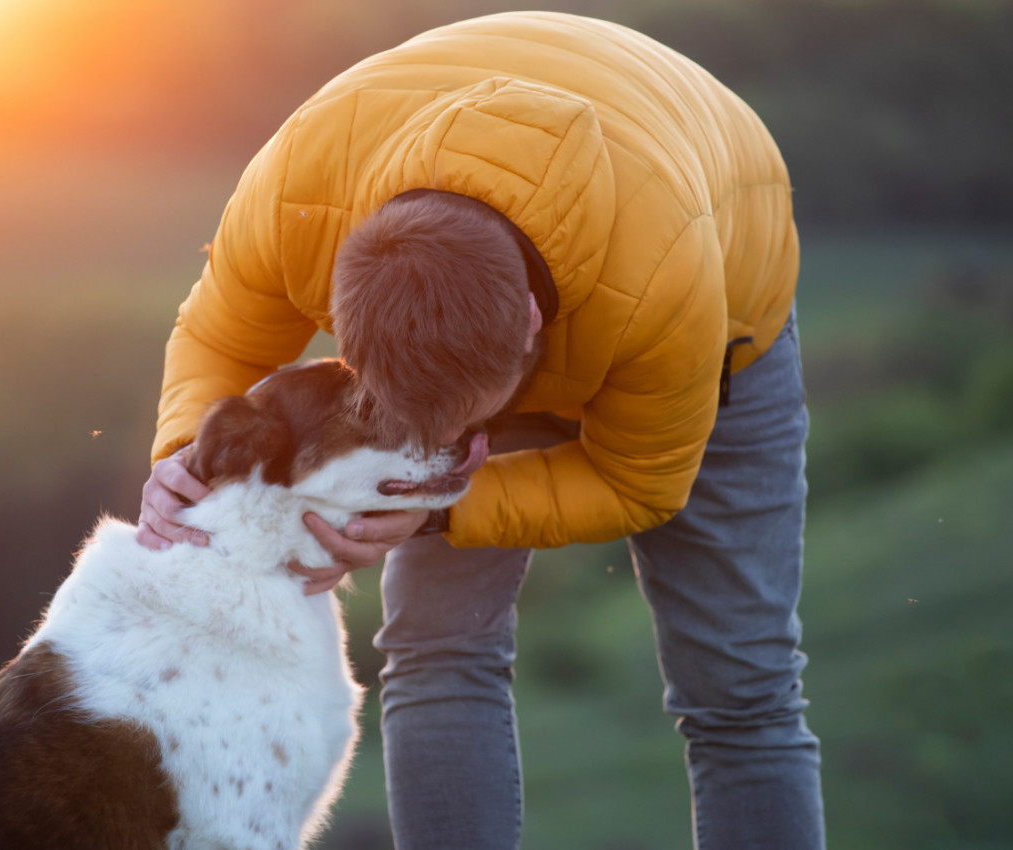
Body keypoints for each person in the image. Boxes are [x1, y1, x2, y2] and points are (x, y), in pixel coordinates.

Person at [138, 11, 824, 850]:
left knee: (738, 685)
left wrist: (436, 510)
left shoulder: (664, 284)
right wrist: (184, 455)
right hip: (519, 248)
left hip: (712, 278)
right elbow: (219, 339)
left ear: (531, 325)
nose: (457, 446)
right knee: (435, 644)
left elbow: (638, 483)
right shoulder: (299, 195)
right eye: (409, 414)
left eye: (470, 422)